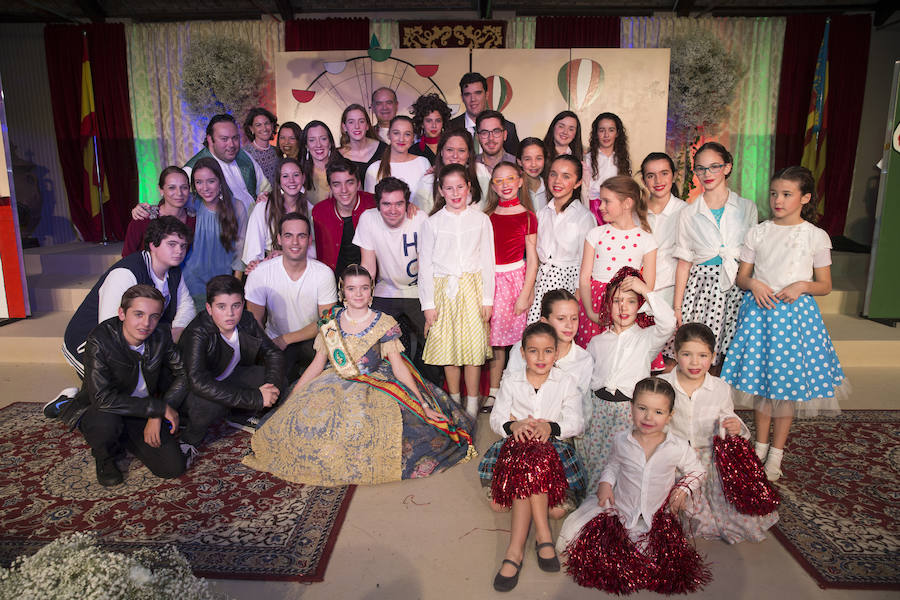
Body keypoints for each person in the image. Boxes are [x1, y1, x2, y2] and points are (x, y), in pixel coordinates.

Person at [242, 264, 475, 484]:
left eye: (364, 288)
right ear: (343, 291)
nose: (358, 294)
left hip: (375, 383)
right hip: (332, 381)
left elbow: (398, 366)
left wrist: (422, 403)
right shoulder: (330, 322)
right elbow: (316, 365)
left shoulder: (384, 322)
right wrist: (291, 399)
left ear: (371, 290)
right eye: (352, 289)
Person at [722, 166, 845, 481]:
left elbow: (825, 285)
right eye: (774, 193)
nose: (778, 200)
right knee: (762, 386)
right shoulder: (758, 232)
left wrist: (803, 285)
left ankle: (776, 454)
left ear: (804, 198)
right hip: (761, 314)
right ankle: (759, 446)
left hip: (793, 319)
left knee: (785, 388)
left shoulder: (815, 236)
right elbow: (742, 277)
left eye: (787, 194)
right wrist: (755, 285)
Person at [480, 322, 585, 592]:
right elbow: (497, 417)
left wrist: (551, 427)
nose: (541, 358)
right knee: (525, 461)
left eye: (548, 351)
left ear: (556, 353)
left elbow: (577, 422)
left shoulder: (566, 381)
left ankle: (514, 551)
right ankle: (542, 535)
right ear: (523, 353)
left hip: (554, 453)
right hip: (515, 451)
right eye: (533, 351)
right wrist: (513, 426)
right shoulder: (511, 380)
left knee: (547, 490)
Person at [51, 285, 189, 487]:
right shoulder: (100, 339)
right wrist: (157, 408)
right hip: (103, 408)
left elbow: (185, 374)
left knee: (172, 468)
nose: (146, 323)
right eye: (138, 314)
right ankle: (103, 455)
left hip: (139, 409)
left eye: (154, 316)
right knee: (106, 425)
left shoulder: (160, 335)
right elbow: (102, 399)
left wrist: (156, 413)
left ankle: (124, 436)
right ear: (122, 313)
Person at [557, 377, 705, 557]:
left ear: (669, 416)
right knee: (579, 536)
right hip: (622, 509)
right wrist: (606, 483)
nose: (649, 417)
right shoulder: (622, 439)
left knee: (649, 554)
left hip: (655, 515)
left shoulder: (677, 447)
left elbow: (697, 470)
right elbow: (613, 465)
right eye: (642, 408)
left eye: (658, 412)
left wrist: (682, 489)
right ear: (631, 406)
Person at [660, 322, 779, 542]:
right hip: (675, 456)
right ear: (675, 354)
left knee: (726, 506)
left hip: (709, 458)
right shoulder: (663, 385)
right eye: (687, 354)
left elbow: (728, 416)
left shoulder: (720, 388)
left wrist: (734, 425)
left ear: (713, 356)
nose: (695, 362)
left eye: (703, 355)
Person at [60, 217, 195, 381]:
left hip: (136, 337)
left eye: (183, 245)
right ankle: (66, 402)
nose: (179, 251)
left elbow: (186, 306)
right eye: (172, 244)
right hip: (89, 342)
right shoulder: (126, 273)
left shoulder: (173, 271)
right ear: (153, 244)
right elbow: (109, 328)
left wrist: (177, 331)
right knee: (123, 391)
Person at [584, 269, 675, 489]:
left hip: (627, 412)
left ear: (640, 306)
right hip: (598, 411)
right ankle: (593, 507)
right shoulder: (597, 342)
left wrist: (644, 289)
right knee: (595, 463)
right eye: (617, 301)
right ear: (608, 305)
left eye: (631, 301)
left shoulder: (646, 338)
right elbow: (586, 382)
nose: (623, 307)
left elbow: (669, 322)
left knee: (621, 465)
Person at [669, 142, 757, 366]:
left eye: (714, 167)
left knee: (730, 355)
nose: (707, 174)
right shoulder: (688, 213)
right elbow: (684, 262)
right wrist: (677, 307)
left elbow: (752, 253)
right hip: (701, 288)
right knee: (699, 351)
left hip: (737, 286)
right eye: (701, 168)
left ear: (727, 167)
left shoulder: (747, 207)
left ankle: (719, 400)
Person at [419, 164, 495, 417]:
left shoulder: (481, 220)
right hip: (444, 291)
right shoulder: (432, 223)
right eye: (448, 188)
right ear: (440, 190)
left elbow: (488, 260)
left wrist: (487, 299)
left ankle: (472, 403)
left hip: (473, 289)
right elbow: (426, 266)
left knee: (473, 351)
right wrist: (428, 304)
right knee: (449, 351)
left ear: (469, 187)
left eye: (459, 187)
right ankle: (454, 401)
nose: (455, 193)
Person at [354, 176, 442, 385]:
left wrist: (430, 304)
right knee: (372, 337)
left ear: (407, 203)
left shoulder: (420, 219)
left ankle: (432, 390)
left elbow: (427, 267)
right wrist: (362, 303)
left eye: (399, 203)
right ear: (378, 205)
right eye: (386, 204)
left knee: (432, 337)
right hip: (385, 290)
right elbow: (368, 266)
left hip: (417, 291)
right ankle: (384, 389)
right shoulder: (368, 219)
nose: (393, 210)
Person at [178, 275, 285, 446]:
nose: (230, 313)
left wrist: (270, 388)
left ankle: (238, 415)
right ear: (209, 308)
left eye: (236, 306)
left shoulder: (247, 320)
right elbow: (197, 382)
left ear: (242, 304)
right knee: (209, 406)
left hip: (230, 377)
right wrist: (255, 398)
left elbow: (273, 353)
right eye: (221, 307)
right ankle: (189, 440)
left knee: (275, 377)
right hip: (198, 391)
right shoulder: (198, 332)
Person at [245, 213, 337, 382]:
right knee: (275, 388)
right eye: (288, 236)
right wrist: (268, 347)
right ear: (279, 239)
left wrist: (285, 339)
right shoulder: (260, 273)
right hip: (273, 342)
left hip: (313, 341)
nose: (295, 242)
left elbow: (327, 322)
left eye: (301, 236)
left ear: (309, 240)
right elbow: (254, 320)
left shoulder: (323, 274)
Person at [576, 175, 657, 348]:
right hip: (596, 305)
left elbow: (648, 286)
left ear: (627, 203)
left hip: (627, 307)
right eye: (600, 201)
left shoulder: (646, 240)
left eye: (606, 201)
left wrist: (632, 310)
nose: (601, 206)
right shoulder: (595, 234)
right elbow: (584, 278)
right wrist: (590, 312)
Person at [484, 162, 538, 411]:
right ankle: (493, 392)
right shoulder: (486, 216)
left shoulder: (527, 216)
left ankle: (517, 390)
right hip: (490, 281)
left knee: (517, 341)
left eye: (510, 179)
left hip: (515, 281)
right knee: (495, 342)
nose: (505, 185)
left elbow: (533, 258)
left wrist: (525, 294)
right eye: (499, 180)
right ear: (493, 185)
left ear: (519, 181)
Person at [504, 289, 594, 432]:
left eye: (574, 318)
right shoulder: (520, 350)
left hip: (560, 434)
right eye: (561, 318)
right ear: (544, 321)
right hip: (522, 430)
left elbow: (581, 408)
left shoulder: (583, 359)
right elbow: (507, 397)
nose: (569, 325)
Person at [526, 155, 596, 324]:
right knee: (540, 333)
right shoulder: (542, 213)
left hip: (567, 283)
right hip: (542, 282)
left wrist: (577, 299)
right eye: (553, 174)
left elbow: (585, 263)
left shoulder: (584, 217)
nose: (558, 181)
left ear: (578, 182)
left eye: (566, 176)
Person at [182, 157, 248, 309]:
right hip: (190, 283)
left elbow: (241, 250)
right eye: (198, 182)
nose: (205, 188)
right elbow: (164, 207)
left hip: (222, 286)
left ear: (220, 181)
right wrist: (141, 209)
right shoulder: (191, 203)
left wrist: (235, 286)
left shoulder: (236, 207)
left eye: (211, 181)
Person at [183, 114, 271, 215]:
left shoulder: (244, 156)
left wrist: (264, 196)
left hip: (256, 223)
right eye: (224, 139)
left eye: (235, 138)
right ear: (210, 139)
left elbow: (265, 188)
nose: (231, 145)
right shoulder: (191, 170)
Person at [311, 158, 377, 276]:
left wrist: (410, 207)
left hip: (371, 279)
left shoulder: (374, 203)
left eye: (349, 183)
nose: (344, 190)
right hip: (332, 280)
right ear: (330, 187)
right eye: (337, 184)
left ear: (358, 184)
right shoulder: (319, 211)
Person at [242, 157, 308, 270]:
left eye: (296, 175)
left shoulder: (310, 209)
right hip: (269, 268)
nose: (291, 180)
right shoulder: (263, 207)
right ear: (279, 180)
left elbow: (314, 251)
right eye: (285, 176)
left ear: (303, 178)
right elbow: (253, 252)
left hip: (301, 268)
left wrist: (286, 255)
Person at [641, 152, 686, 307]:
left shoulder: (686, 212)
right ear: (644, 181)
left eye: (664, 173)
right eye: (651, 176)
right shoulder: (635, 214)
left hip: (672, 291)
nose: (658, 181)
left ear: (673, 176)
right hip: (639, 292)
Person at [122, 166, 195, 257]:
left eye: (184, 187)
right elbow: (127, 256)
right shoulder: (143, 217)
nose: (179, 193)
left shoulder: (194, 220)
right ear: (161, 190)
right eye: (172, 187)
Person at [412, 129, 490, 214]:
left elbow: (492, 205)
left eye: (461, 150)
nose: (455, 155)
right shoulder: (427, 182)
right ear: (441, 152)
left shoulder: (480, 172)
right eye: (449, 150)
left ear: (468, 154)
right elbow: (421, 219)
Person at [447, 72, 519, 155]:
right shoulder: (450, 127)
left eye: (478, 93)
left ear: (487, 95)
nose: (473, 99)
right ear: (462, 98)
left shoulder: (507, 127)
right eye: (467, 94)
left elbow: (515, 163)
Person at [582, 113, 631, 224]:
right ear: (596, 133)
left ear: (617, 133)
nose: (606, 135)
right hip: (594, 208)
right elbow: (585, 189)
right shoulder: (587, 159)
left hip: (618, 209)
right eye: (602, 130)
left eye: (611, 130)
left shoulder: (622, 159)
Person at [364, 115, 431, 194]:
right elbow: (371, 203)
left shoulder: (423, 163)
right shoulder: (374, 169)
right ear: (389, 135)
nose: (401, 139)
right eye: (396, 133)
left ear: (413, 137)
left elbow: (430, 199)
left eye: (407, 134)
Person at [337, 103, 387, 182]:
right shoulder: (337, 156)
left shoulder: (384, 149)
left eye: (361, 121)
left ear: (367, 125)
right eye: (351, 122)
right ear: (344, 127)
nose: (357, 126)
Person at [299, 120, 336, 206]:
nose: (318, 145)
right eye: (312, 140)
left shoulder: (344, 169)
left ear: (330, 143)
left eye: (323, 139)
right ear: (306, 145)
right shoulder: (300, 172)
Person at [242, 107, 279, 189]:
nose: (264, 128)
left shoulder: (277, 151)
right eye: (258, 125)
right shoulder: (244, 154)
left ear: (272, 126)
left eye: (267, 123)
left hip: (277, 199)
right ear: (252, 129)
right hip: (255, 200)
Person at [409, 93, 451, 163]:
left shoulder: (451, 146)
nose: (434, 125)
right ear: (422, 123)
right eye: (429, 121)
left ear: (443, 122)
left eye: (438, 121)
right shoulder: (414, 150)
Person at [517, 137, 548, 213]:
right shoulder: (514, 189)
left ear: (545, 160)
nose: (533, 164)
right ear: (519, 162)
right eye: (527, 159)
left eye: (539, 158)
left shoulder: (551, 187)